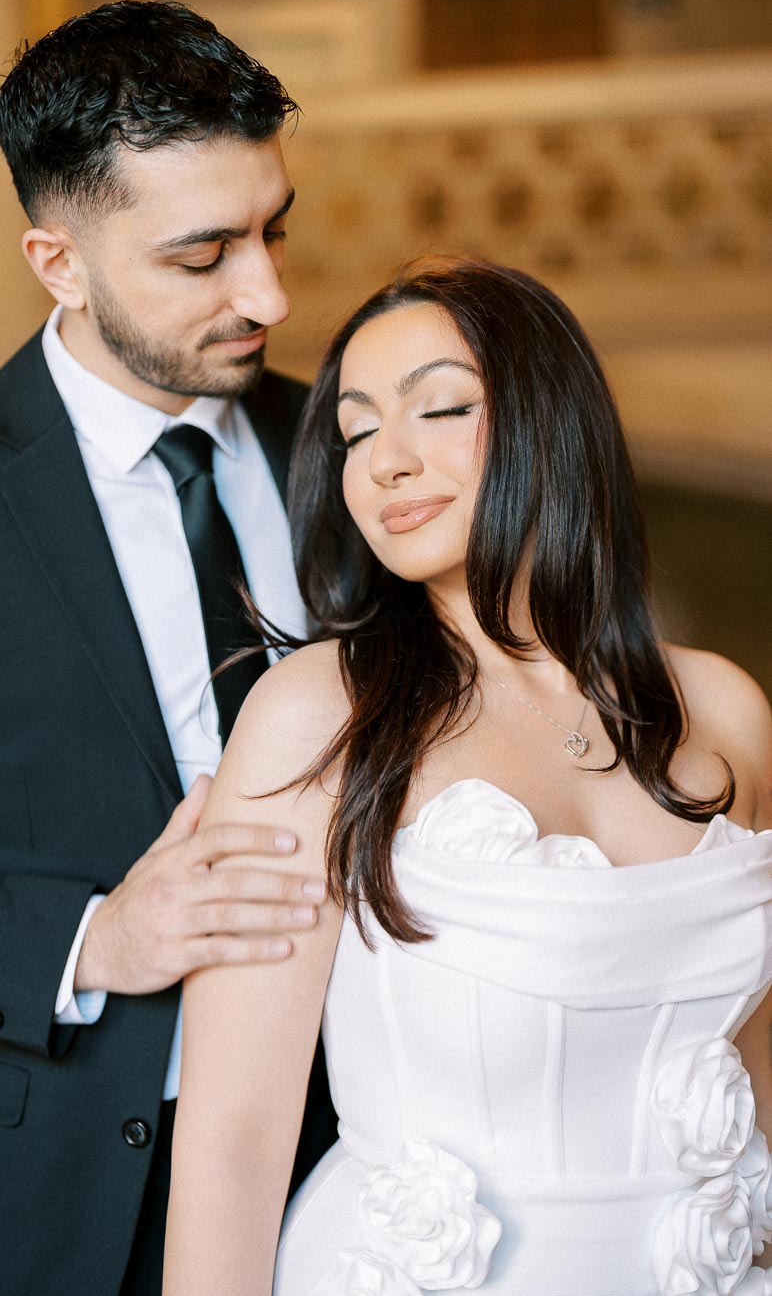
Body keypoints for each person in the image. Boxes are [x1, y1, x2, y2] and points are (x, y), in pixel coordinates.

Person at [163, 257, 772, 1296]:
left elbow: (753, 1081)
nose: (384, 461)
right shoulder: (318, 716)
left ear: (552, 421)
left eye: (437, 408)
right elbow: (233, 1144)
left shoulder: (726, 710)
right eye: (355, 431)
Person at [0, 0, 336, 1296]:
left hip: (358, 1156)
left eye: (273, 230)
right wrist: (87, 941)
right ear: (57, 261)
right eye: (205, 257)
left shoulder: (353, 451)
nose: (270, 294)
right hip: (35, 1200)